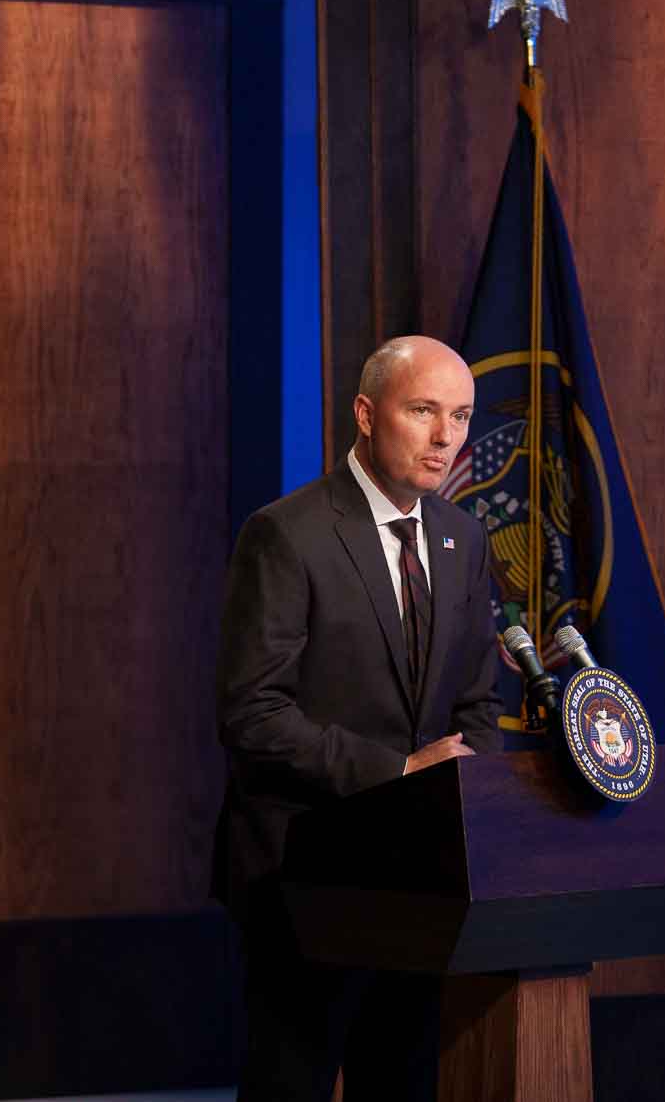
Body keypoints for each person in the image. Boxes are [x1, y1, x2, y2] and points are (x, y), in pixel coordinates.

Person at [212, 335, 505, 1102]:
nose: (447, 438)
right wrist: (400, 774)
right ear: (367, 414)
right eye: (424, 411)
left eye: (463, 417)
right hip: (303, 871)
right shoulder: (287, 535)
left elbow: (475, 703)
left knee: (402, 1081)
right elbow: (252, 714)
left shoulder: (463, 539)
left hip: (423, 879)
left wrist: (450, 794)